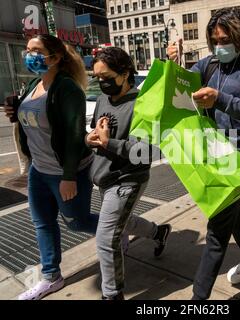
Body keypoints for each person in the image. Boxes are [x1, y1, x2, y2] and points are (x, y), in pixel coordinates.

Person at [167, 7, 240, 300]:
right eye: (214, 40)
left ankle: (198, 299)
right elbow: (180, 86)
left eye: (225, 39)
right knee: (232, 209)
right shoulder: (208, 64)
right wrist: (172, 64)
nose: (219, 46)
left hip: (237, 151)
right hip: (209, 147)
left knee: (217, 228)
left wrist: (221, 99)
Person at [4, 34, 98, 300]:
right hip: (39, 170)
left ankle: (117, 231)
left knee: (77, 223)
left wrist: (68, 177)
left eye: (36, 51)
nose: (28, 55)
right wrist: (16, 112)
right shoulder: (34, 84)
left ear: (55, 58)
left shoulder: (67, 89)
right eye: (27, 50)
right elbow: (31, 119)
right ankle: (51, 277)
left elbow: (73, 135)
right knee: (42, 223)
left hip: (68, 171)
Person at [85, 47, 171, 300]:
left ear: (125, 74)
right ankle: (158, 233)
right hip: (104, 176)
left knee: (106, 237)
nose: (102, 83)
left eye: (107, 77)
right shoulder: (102, 100)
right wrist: (89, 139)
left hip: (128, 179)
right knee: (123, 223)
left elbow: (148, 152)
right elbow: (96, 134)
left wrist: (107, 142)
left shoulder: (141, 105)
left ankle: (112, 294)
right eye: (97, 77)